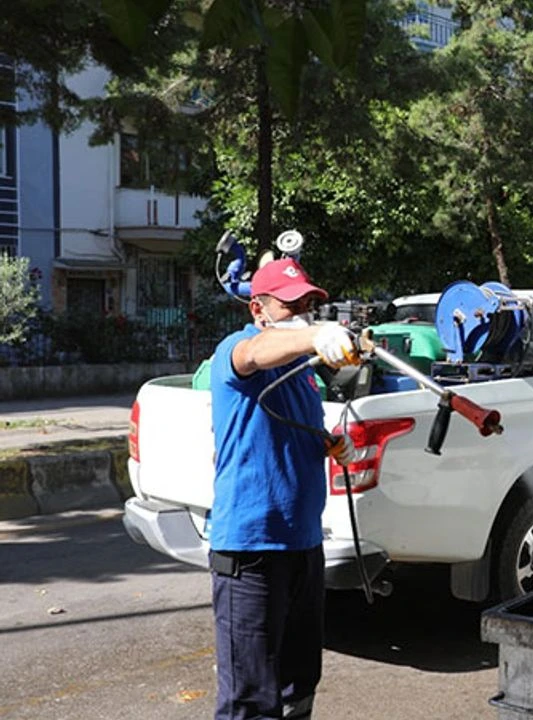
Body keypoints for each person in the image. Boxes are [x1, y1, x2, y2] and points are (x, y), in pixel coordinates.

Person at [207, 256, 360, 720]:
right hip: (251, 551)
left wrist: (330, 443)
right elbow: (255, 354)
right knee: (251, 700)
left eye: (309, 306)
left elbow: (288, 429)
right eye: (290, 306)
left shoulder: (304, 373)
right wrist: (315, 336)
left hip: (303, 547)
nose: (302, 315)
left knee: (299, 686)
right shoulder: (238, 350)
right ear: (258, 309)